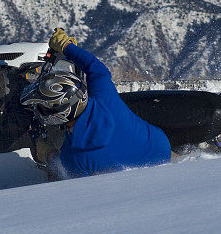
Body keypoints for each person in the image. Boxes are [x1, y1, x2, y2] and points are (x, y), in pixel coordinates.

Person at [20, 28, 172, 177]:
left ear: (60, 114)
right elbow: (96, 68)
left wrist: (47, 152)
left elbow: (62, 171)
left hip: (146, 170)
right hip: (161, 147)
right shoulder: (104, 96)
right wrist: (66, 47)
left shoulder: (73, 156)